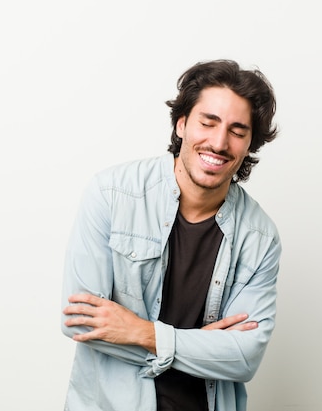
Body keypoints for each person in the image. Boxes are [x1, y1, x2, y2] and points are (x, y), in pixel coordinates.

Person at [61, 59, 282, 411]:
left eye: (237, 131)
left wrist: (141, 332)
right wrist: (198, 347)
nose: (219, 142)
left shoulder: (260, 238)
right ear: (181, 124)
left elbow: (244, 358)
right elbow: (80, 322)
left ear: (249, 143)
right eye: (207, 123)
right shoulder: (111, 194)